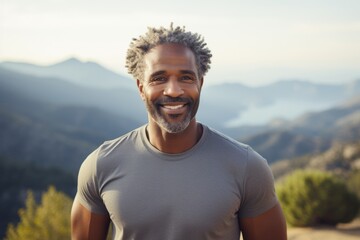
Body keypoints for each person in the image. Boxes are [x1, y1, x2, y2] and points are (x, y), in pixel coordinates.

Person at [71, 24, 287, 240]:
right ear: (141, 88)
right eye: (159, 78)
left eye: (186, 78)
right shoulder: (100, 165)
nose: (173, 90)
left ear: (200, 84)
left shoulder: (247, 166)